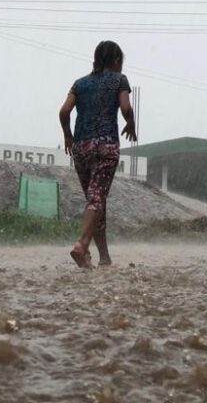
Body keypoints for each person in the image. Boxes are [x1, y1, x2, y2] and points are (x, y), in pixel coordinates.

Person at [59, 41, 137, 268]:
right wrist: (130, 121)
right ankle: (82, 245)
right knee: (97, 199)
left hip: (81, 148)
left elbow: (64, 111)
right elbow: (124, 107)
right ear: (117, 61)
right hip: (106, 147)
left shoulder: (79, 84)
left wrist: (67, 136)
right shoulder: (119, 80)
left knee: (95, 199)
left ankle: (104, 257)